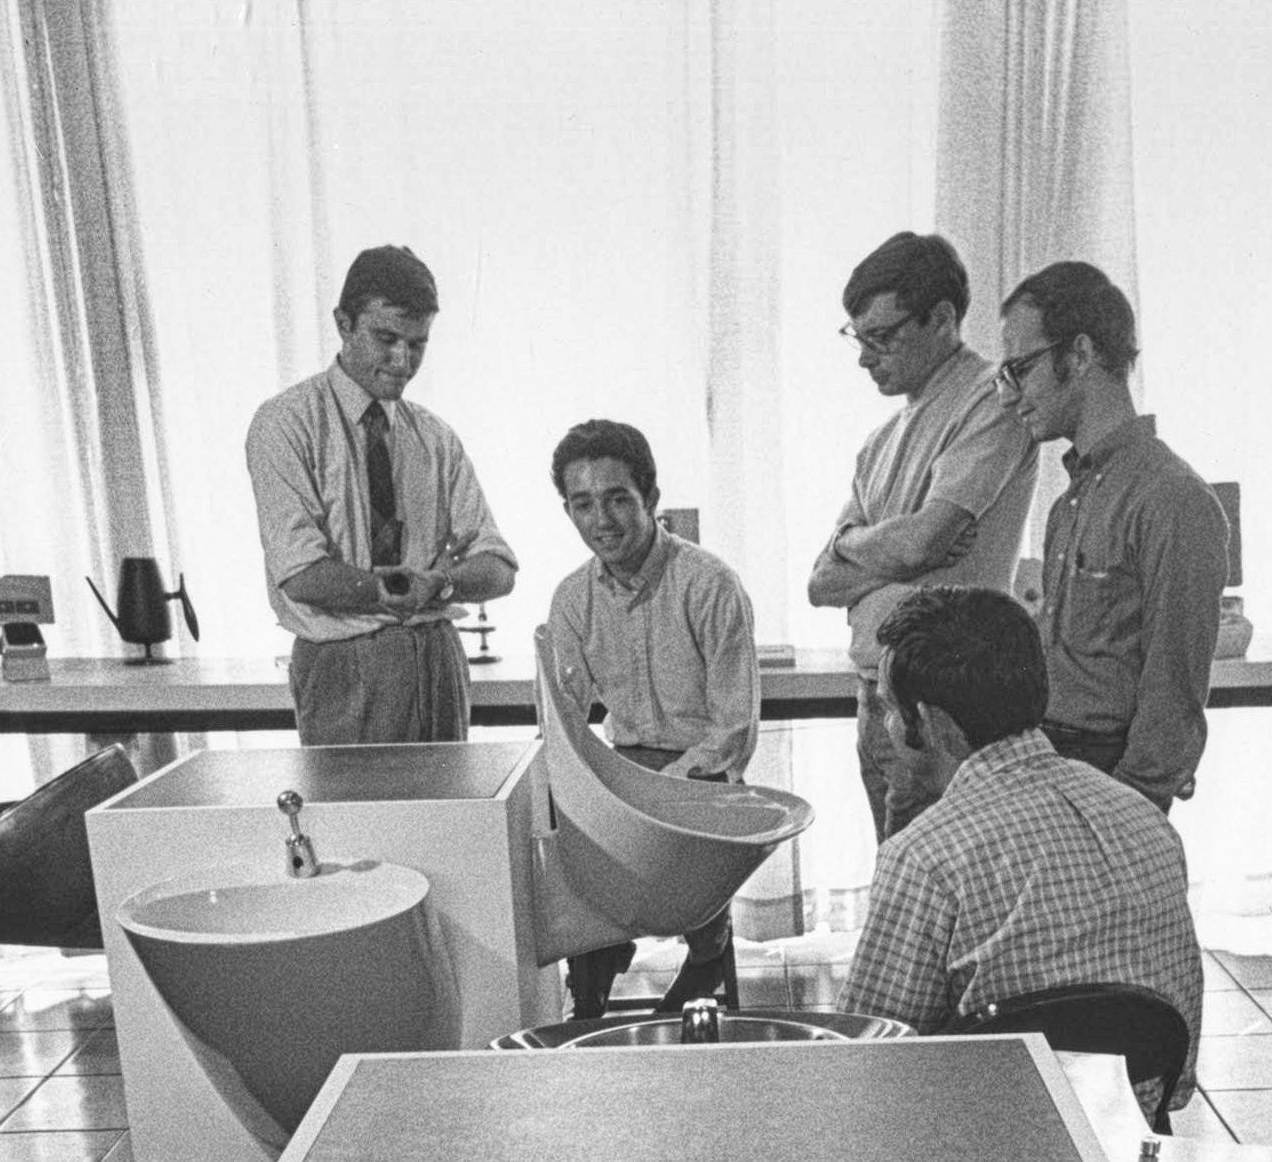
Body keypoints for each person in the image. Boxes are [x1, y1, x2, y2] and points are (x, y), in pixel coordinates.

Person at [840, 584, 1203, 1111]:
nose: (887, 729)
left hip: (994, 1134)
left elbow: (869, 1059)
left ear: (932, 723)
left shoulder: (924, 856)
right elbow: (1177, 1067)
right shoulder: (1144, 817)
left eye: (889, 710)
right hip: (1132, 1129)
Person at [806, 232, 1038, 841]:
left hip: (941, 709)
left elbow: (925, 543)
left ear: (942, 319)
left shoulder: (992, 400)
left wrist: (859, 542)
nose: (865, 357)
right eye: (859, 338)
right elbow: (820, 583)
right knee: (898, 877)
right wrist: (869, 547)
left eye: (881, 337)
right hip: (875, 692)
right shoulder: (878, 441)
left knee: (939, 890)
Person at [245, 245, 517, 745]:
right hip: (342, 664)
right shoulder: (285, 424)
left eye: (417, 343)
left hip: (437, 659)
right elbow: (302, 574)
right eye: (386, 338)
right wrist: (392, 591)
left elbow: (498, 567)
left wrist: (440, 583)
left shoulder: (434, 437)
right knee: (356, 823)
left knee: (447, 820)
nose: (402, 361)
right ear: (343, 323)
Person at [993, 260, 1227, 810]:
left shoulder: (1174, 499)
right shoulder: (1065, 505)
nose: (1009, 396)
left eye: (1020, 370)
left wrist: (1130, 813)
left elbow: (1174, 692)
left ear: (1079, 355)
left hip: (1111, 780)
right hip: (1052, 762)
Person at [545, 419, 758, 1018]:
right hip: (627, 774)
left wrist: (656, 792)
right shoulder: (571, 599)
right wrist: (596, 791)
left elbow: (733, 730)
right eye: (582, 504)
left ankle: (704, 957)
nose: (602, 521)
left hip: (704, 780)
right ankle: (589, 990)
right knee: (566, 832)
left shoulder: (710, 584)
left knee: (662, 838)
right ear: (568, 511)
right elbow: (567, 720)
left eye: (617, 498)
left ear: (651, 499)